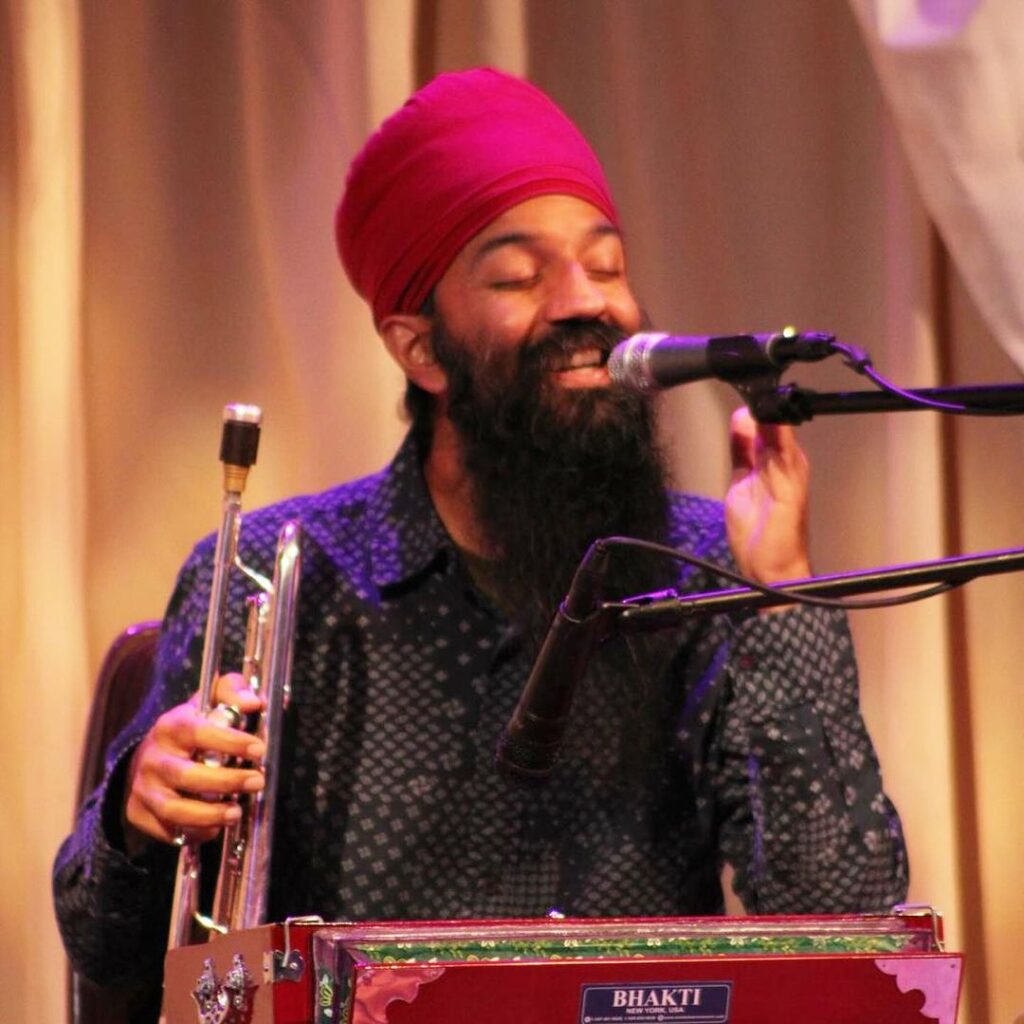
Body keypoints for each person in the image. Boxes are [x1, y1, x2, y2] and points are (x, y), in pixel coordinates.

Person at [54, 67, 907, 1013]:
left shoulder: (705, 567)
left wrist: (781, 594)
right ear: (420, 350)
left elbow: (847, 924)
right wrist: (139, 813)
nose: (586, 303)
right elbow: (109, 952)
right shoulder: (276, 569)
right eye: (517, 277)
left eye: (607, 266)